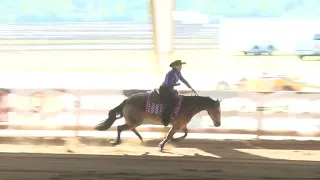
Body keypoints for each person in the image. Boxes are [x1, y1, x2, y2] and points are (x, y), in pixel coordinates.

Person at [159, 60, 196, 126]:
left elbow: (183, 80)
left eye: (181, 65)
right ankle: (165, 120)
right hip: (164, 89)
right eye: (180, 65)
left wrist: (190, 88)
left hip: (170, 89)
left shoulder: (178, 73)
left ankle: (175, 115)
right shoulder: (170, 73)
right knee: (170, 102)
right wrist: (176, 84)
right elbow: (167, 83)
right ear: (175, 66)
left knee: (178, 99)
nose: (181, 67)